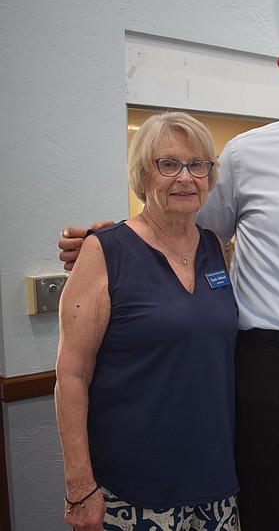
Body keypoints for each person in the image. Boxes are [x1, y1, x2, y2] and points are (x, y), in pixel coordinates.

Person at [58, 10, 279, 531]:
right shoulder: (243, 157)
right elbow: (179, 227)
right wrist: (111, 241)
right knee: (267, 513)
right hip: (267, 362)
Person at [54, 112, 239, 531]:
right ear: (142, 174)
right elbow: (72, 376)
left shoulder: (215, 248)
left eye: (197, 165)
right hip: (132, 487)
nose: (185, 177)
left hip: (213, 479)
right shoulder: (105, 251)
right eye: (168, 164)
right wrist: (79, 485)